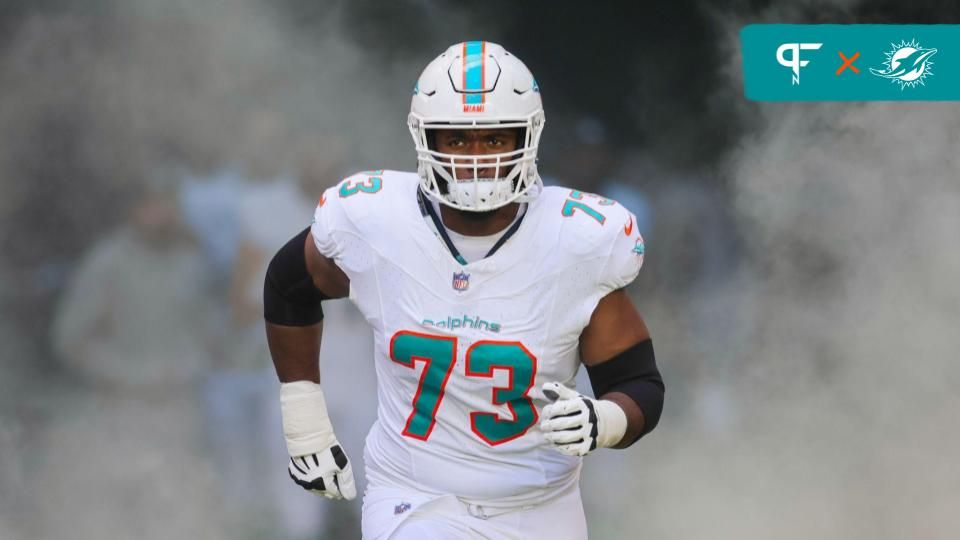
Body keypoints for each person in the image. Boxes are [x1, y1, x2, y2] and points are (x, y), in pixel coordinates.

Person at [263, 41, 665, 539]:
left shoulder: (576, 242)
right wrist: (304, 421)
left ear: (528, 136)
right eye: (457, 139)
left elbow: (640, 383)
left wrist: (601, 419)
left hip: (539, 507)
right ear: (424, 138)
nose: (476, 157)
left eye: (495, 139)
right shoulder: (378, 221)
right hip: (415, 497)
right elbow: (287, 284)